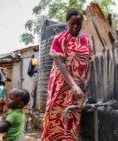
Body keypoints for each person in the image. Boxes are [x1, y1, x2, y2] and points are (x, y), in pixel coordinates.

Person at [41, 8, 94, 141]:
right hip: (62, 84)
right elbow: (60, 63)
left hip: (79, 85)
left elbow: (91, 61)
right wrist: (73, 85)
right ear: (67, 23)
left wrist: (87, 80)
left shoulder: (86, 40)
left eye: (78, 23)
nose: (75, 26)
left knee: (73, 114)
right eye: (72, 24)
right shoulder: (60, 38)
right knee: (55, 114)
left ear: (82, 23)